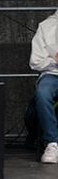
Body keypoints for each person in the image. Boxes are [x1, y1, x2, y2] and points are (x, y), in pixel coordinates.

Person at [29, 10, 58, 164]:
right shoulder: (46, 26)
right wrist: (54, 61)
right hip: (53, 74)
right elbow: (35, 61)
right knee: (43, 92)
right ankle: (52, 143)